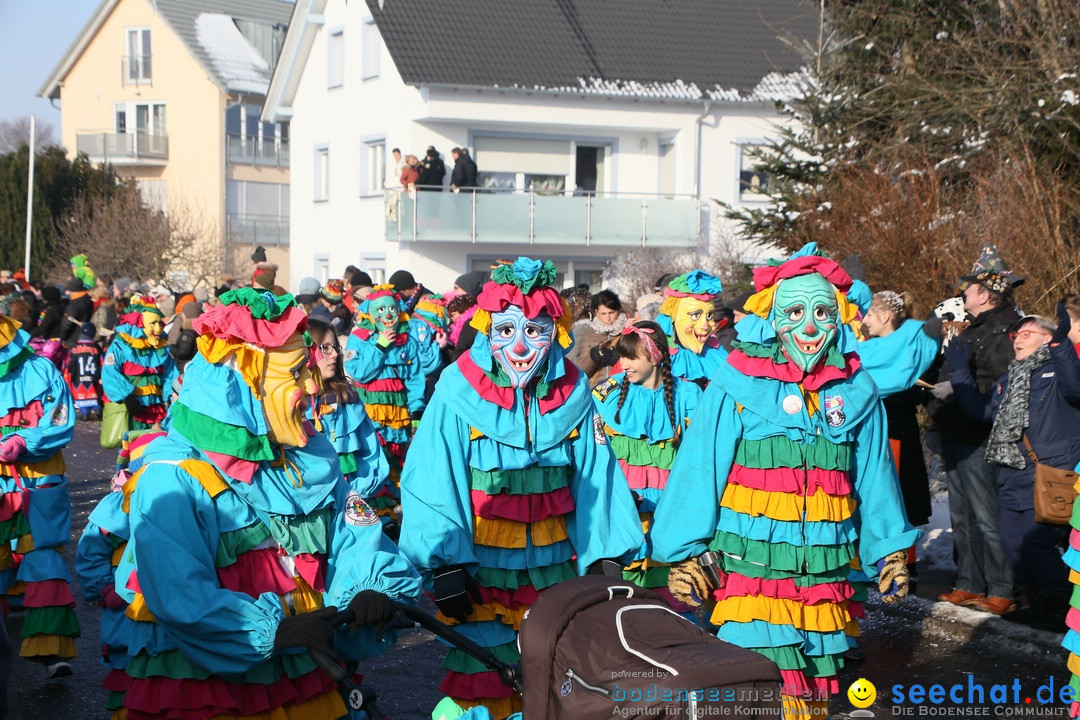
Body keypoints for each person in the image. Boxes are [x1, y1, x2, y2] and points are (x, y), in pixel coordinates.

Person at [114, 288, 421, 719]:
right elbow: (177, 594)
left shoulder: (309, 458)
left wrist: (370, 586)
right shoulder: (175, 476)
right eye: (296, 373)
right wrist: (270, 632)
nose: (313, 384)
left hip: (306, 678)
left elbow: (355, 532)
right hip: (211, 692)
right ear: (244, 383)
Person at [650, 244, 918, 714]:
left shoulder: (857, 390)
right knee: (754, 688)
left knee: (812, 691)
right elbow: (699, 471)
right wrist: (685, 555)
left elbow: (875, 477)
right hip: (752, 575)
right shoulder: (737, 383)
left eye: (820, 312)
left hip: (824, 577)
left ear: (838, 318)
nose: (809, 328)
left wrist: (888, 548)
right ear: (772, 318)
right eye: (794, 311)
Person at [398, 257, 642, 718]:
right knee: (485, 686)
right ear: (489, 331)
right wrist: (444, 563)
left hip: (556, 573)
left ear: (555, 332)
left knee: (556, 684)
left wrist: (606, 553)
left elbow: (597, 473)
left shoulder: (574, 393)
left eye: (535, 330)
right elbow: (433, 475)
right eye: (507, 331)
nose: (522, 346)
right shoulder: (456, 391)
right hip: (482, 575)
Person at [951, 311, 1080, 624]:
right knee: (1011, 545)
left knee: (1038, 543)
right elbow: (981, 412)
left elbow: (1075, 389)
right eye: (1016, 335)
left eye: (1027, 333)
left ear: (1048, 338)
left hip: (1050, 474)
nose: (1018, 338)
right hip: (1011, 474)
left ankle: (1060, 606)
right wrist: (959, 371)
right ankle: (1038, 601)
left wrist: (1062, 344)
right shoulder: (1008, 378)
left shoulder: (1059, 370)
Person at [929, 243, 1021, 614]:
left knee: (986, 515)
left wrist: (958, 387)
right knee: (961, 516)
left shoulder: (1007, 329)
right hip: (956, 431)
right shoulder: (973, 325)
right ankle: (969, 582)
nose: (962, 293)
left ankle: (1002, 587)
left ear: (985, 293)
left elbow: (1001, 383)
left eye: (968, 288)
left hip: (980, 436)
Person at [592, 321, 701, 609]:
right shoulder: (608, 393)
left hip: (669, 507)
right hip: (625, 506)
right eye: (622, 356)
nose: (623, 363)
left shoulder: (688, 396)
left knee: (666, 585)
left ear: (655, 356)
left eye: (632, 357)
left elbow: (698, 457)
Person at [0, 315, 80, 679]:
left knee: (44, 556)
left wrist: (23, 441)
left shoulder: (41, 370)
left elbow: (60, 420)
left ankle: (50, 650)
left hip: (38, 480)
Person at [75, 429, 165, 716]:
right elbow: (91, 548)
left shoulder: (180, 499)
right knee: (129, 668)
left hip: (168, 603)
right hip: (125, 606)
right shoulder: (115, 505)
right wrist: (104, 587)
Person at [859, 291, 941, 530]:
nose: (864, 321)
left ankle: (905, 563)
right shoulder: (867, 348)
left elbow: (915, 391)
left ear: (885, 316)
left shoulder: (912, 352)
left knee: (899, 499)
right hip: (879, 432)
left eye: (869, 315)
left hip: (897, 433)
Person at [308, 317, 396, 529]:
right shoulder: (292, 403)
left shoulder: (346, 399)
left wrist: (357, 494)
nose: (336, 354)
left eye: (335, 347)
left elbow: (370, 455)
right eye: (325, 348)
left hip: (352, 502)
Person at [343, 285, 426, 489]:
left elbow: (415, 379)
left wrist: (416, 414)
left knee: (397, 461)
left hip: (399, 418)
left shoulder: (407, 341)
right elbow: (360, 373)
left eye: (391, 308)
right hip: (369, 415)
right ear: (370, 313)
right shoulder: (359, 338)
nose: (387, 314)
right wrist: (379, 346)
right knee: (372, 458)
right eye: (380, 310)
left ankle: (394, 510)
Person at [101, 295, 179, 432]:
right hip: (131, 412)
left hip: (156, 413)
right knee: (130, 448)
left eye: (159, 323)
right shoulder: (120, 346)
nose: (158, 329)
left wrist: (174, 400)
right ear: (140, 324)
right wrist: (126, 395)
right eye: (152, 324)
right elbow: (109, 373)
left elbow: (170, 377)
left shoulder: (160, 349)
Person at [656, 270, 727, 387]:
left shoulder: (716, 353)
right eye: (695, 316)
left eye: (709, 316)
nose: (705, 325)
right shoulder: (659, 355)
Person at [568, 289, 628, 386]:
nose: (608, 318)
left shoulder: (627, 332)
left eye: (611, 313)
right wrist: (592, 357)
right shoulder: (589, 335)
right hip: (597, 391)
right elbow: (581, 371)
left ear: (618, 310)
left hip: (622, 388)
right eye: (603, 314)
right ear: (596, 312)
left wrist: (618, 359)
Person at [63, 322, 103, 421]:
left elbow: (69, 366)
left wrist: (68, 379)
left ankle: (85, 413)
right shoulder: (96, 347)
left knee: (82, 399)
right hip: (93, 379)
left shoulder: (74, 349)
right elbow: (102, 362)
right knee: (95, 397)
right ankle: (98, 410)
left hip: (79, 380)